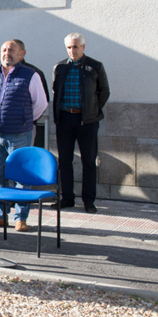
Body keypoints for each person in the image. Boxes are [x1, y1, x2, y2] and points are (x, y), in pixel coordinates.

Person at [0, 40, 48, 231]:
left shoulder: (31, 75)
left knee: (22, 177)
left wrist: (23, 120)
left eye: (11, 50)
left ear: (22, 53)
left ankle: (20, 218)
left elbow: (41, 104)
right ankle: (0, 215)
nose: (7, 53)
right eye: (4, 49)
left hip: (20, 134)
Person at [52, 33, 109, 214]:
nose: (72, 50)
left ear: (83, 47)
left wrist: (91, 110)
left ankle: (88, 200)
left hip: (87, 121)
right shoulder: (60, 67)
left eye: (75, 47)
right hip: (65, 119)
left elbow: (104, 92)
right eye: (69, 47)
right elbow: (56, 91)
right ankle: (67, 198)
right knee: (65, 161)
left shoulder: (95, 66)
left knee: (89, 161)